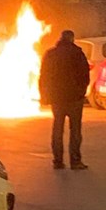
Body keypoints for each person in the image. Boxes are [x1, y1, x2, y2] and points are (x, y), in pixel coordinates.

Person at [39, 30, 91, 170]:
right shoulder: (77, 53)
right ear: (72, 39)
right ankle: (75, 161)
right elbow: (85, 74)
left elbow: (44, 76)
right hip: (74, 98)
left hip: (57, 98)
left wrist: (44, 96)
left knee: (57, 129)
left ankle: (58, 161)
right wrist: (81, 92)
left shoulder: (50, 54)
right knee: (75, 130)